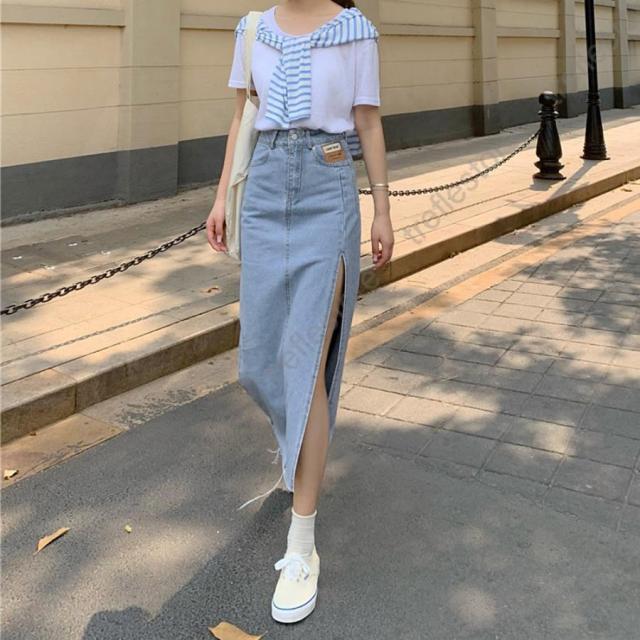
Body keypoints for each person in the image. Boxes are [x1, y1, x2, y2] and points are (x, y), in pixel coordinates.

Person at [207, 0, 393, 624]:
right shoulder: (252, 28)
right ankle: (298, 450)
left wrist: (383, 210)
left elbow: (368, 122)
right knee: (258, 362)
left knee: (306, 357)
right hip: (262, 189)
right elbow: (242, 115)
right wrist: (221, 198)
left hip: (328, 185)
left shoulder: (354, 30)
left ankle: (302, 544)